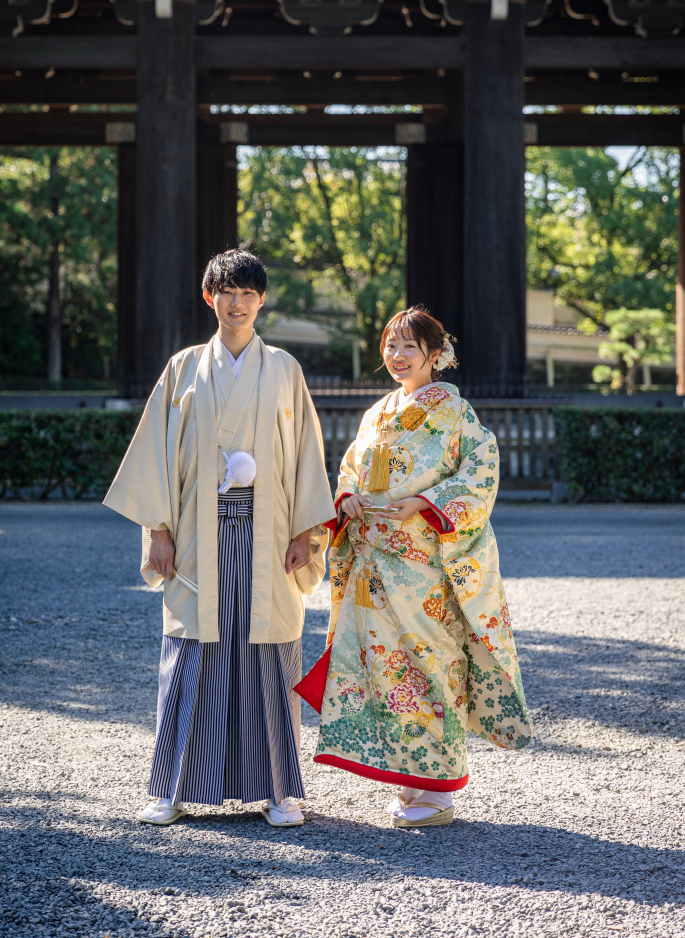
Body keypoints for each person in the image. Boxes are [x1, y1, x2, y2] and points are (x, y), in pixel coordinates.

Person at [104, 249, 335, 828]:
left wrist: (307, 533)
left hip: (271, 529)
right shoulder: (183, 368)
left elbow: (307, 454)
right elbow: (157, 455)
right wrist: (157, 530)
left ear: (262, 300)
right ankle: (172, 786)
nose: (237, 303)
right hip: (195, 530)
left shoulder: (284, 369)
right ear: (210, 298)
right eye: (226, 292)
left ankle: (281, 790)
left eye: (248, 293)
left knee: (270, 653)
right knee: (190, 653)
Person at [296, 306, 532, 828]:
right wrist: (349, 497)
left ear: (434, 354)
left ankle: (438, 790)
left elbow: (481, 468)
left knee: (431, 665)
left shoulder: (453, 411)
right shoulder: (377, 411)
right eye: (391, 346)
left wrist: (425, 503)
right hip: (374, 566)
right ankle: (411, 781)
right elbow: (352, 465)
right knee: (386, 668)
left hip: (423, 566)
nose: (398, 356)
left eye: (409, 347)